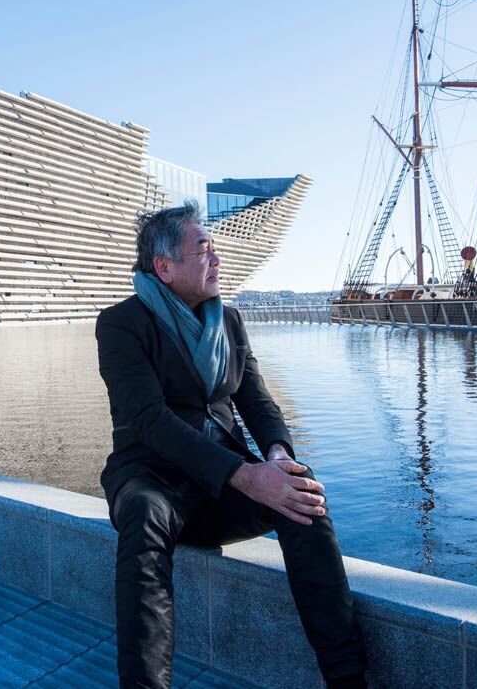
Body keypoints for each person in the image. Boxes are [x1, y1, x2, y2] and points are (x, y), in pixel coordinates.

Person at [95, 201, 367, 688]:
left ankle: (348, 680)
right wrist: (247, 475)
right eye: (203, 250)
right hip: (152, 477)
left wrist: (279, 457)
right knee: (143, 514)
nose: (217, 259)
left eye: (215, 249)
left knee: (304, 500)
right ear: (164, 267)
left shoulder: (230, 322)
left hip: (219, 490)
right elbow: (149, 420)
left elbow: (259, 403)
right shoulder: (121, 324)